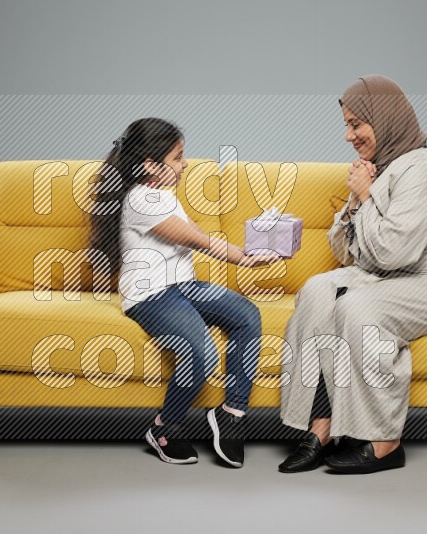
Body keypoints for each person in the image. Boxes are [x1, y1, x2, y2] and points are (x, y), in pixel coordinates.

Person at [278, 75, 427, 474]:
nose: (348, 135)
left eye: (356, 124)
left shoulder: (425, 171)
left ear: (383, 120)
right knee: (317, 290)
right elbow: (344, 251)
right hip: (386, 276)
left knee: (358, 308)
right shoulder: (377, 168)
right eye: (347, 125)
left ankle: (385, 441)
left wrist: (365, 196)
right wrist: (355, 205)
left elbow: (394, 251)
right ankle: (322, 425)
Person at [89, 118, 281, 467]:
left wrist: (254, 246)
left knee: (246, 314)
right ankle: (165, 427)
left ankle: (232, 413)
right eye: (178, 157)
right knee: (201, 352)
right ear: (150, 164)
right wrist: (243, 257)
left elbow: (191, 232)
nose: (185, 164)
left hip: (184, 288)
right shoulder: (139, 199)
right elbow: (194, 238)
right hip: (151, 296)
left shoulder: (164, 195)